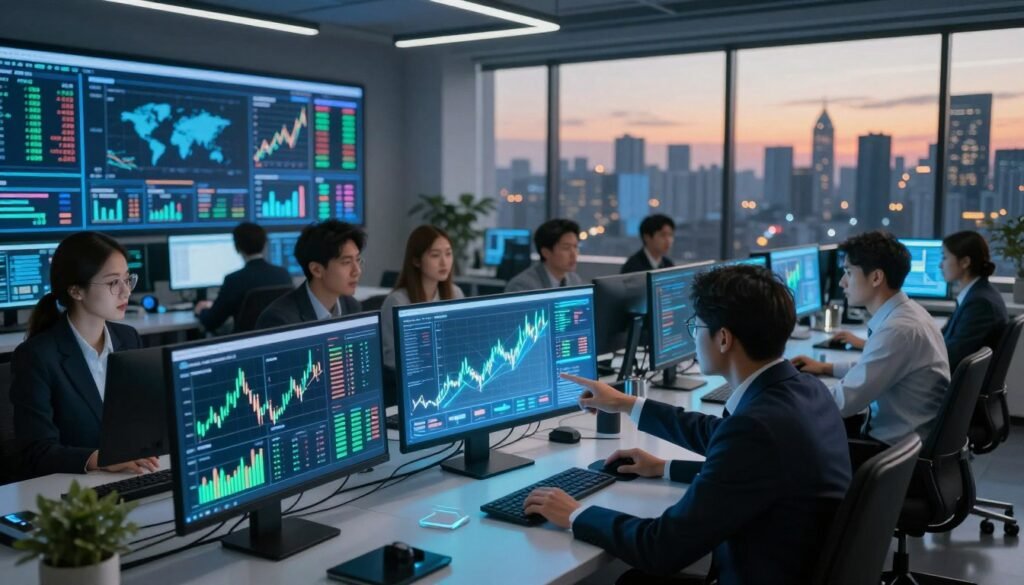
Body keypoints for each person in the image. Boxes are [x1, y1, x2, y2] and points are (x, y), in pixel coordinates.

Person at [524, 265, 851, 585]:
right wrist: (638, 423)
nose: (693, 335)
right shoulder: (805, 389)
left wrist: (575, 514)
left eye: (697, 325)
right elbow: (731, 447)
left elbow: (660, 549)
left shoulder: (756, 430)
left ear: (724, 338)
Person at [10, 232, 159, 479]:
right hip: (75, 490)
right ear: (77, 291)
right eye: (113, 282)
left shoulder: (128, 338)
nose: (126, 292)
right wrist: (99, 460)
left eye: (127, 279)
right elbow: (36, 452)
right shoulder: (37, 357)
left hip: (134, 476)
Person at [791, 231, 950, 452]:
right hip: (905, 442)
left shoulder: (898, 330)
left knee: (794, 439)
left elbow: (842, 403)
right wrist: (826, 368)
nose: (842, 282)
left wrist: (785, 393)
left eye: (848, 272)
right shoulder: (907, 313)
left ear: (876, 277)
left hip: (890, 451)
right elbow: (874, 366)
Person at [380, 225, 465, 369]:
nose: (444, 262)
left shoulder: (455, 293)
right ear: (416, 261)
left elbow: (462, 345)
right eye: (435, 255)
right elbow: (391, 359)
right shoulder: (398, 302)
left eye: (448, 254)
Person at [256, 220, 364, 329]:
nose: (357, 271)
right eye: (346, 262)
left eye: (358, 260)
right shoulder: (280, 320)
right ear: (316, 270)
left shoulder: (352, 307)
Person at [193, 222, 292, 333]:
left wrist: (201, 310)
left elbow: (211, 322)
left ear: (236, 247)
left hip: (245, 342)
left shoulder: (234, 280)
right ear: (265, 244)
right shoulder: (283, 274)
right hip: (276, 339)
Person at [939, 230, 1008, 369]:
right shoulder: (977, 294)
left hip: (958, 385)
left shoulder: (980, 303)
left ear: (965, 262)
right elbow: (943, 340)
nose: (941, 265)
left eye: (945, 258)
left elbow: (953, 356)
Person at [504, 218, 583, 292]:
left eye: (575, 247)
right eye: (566, 248)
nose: (574, 254)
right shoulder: (522, 286)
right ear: (546, 253)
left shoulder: (574, 280)